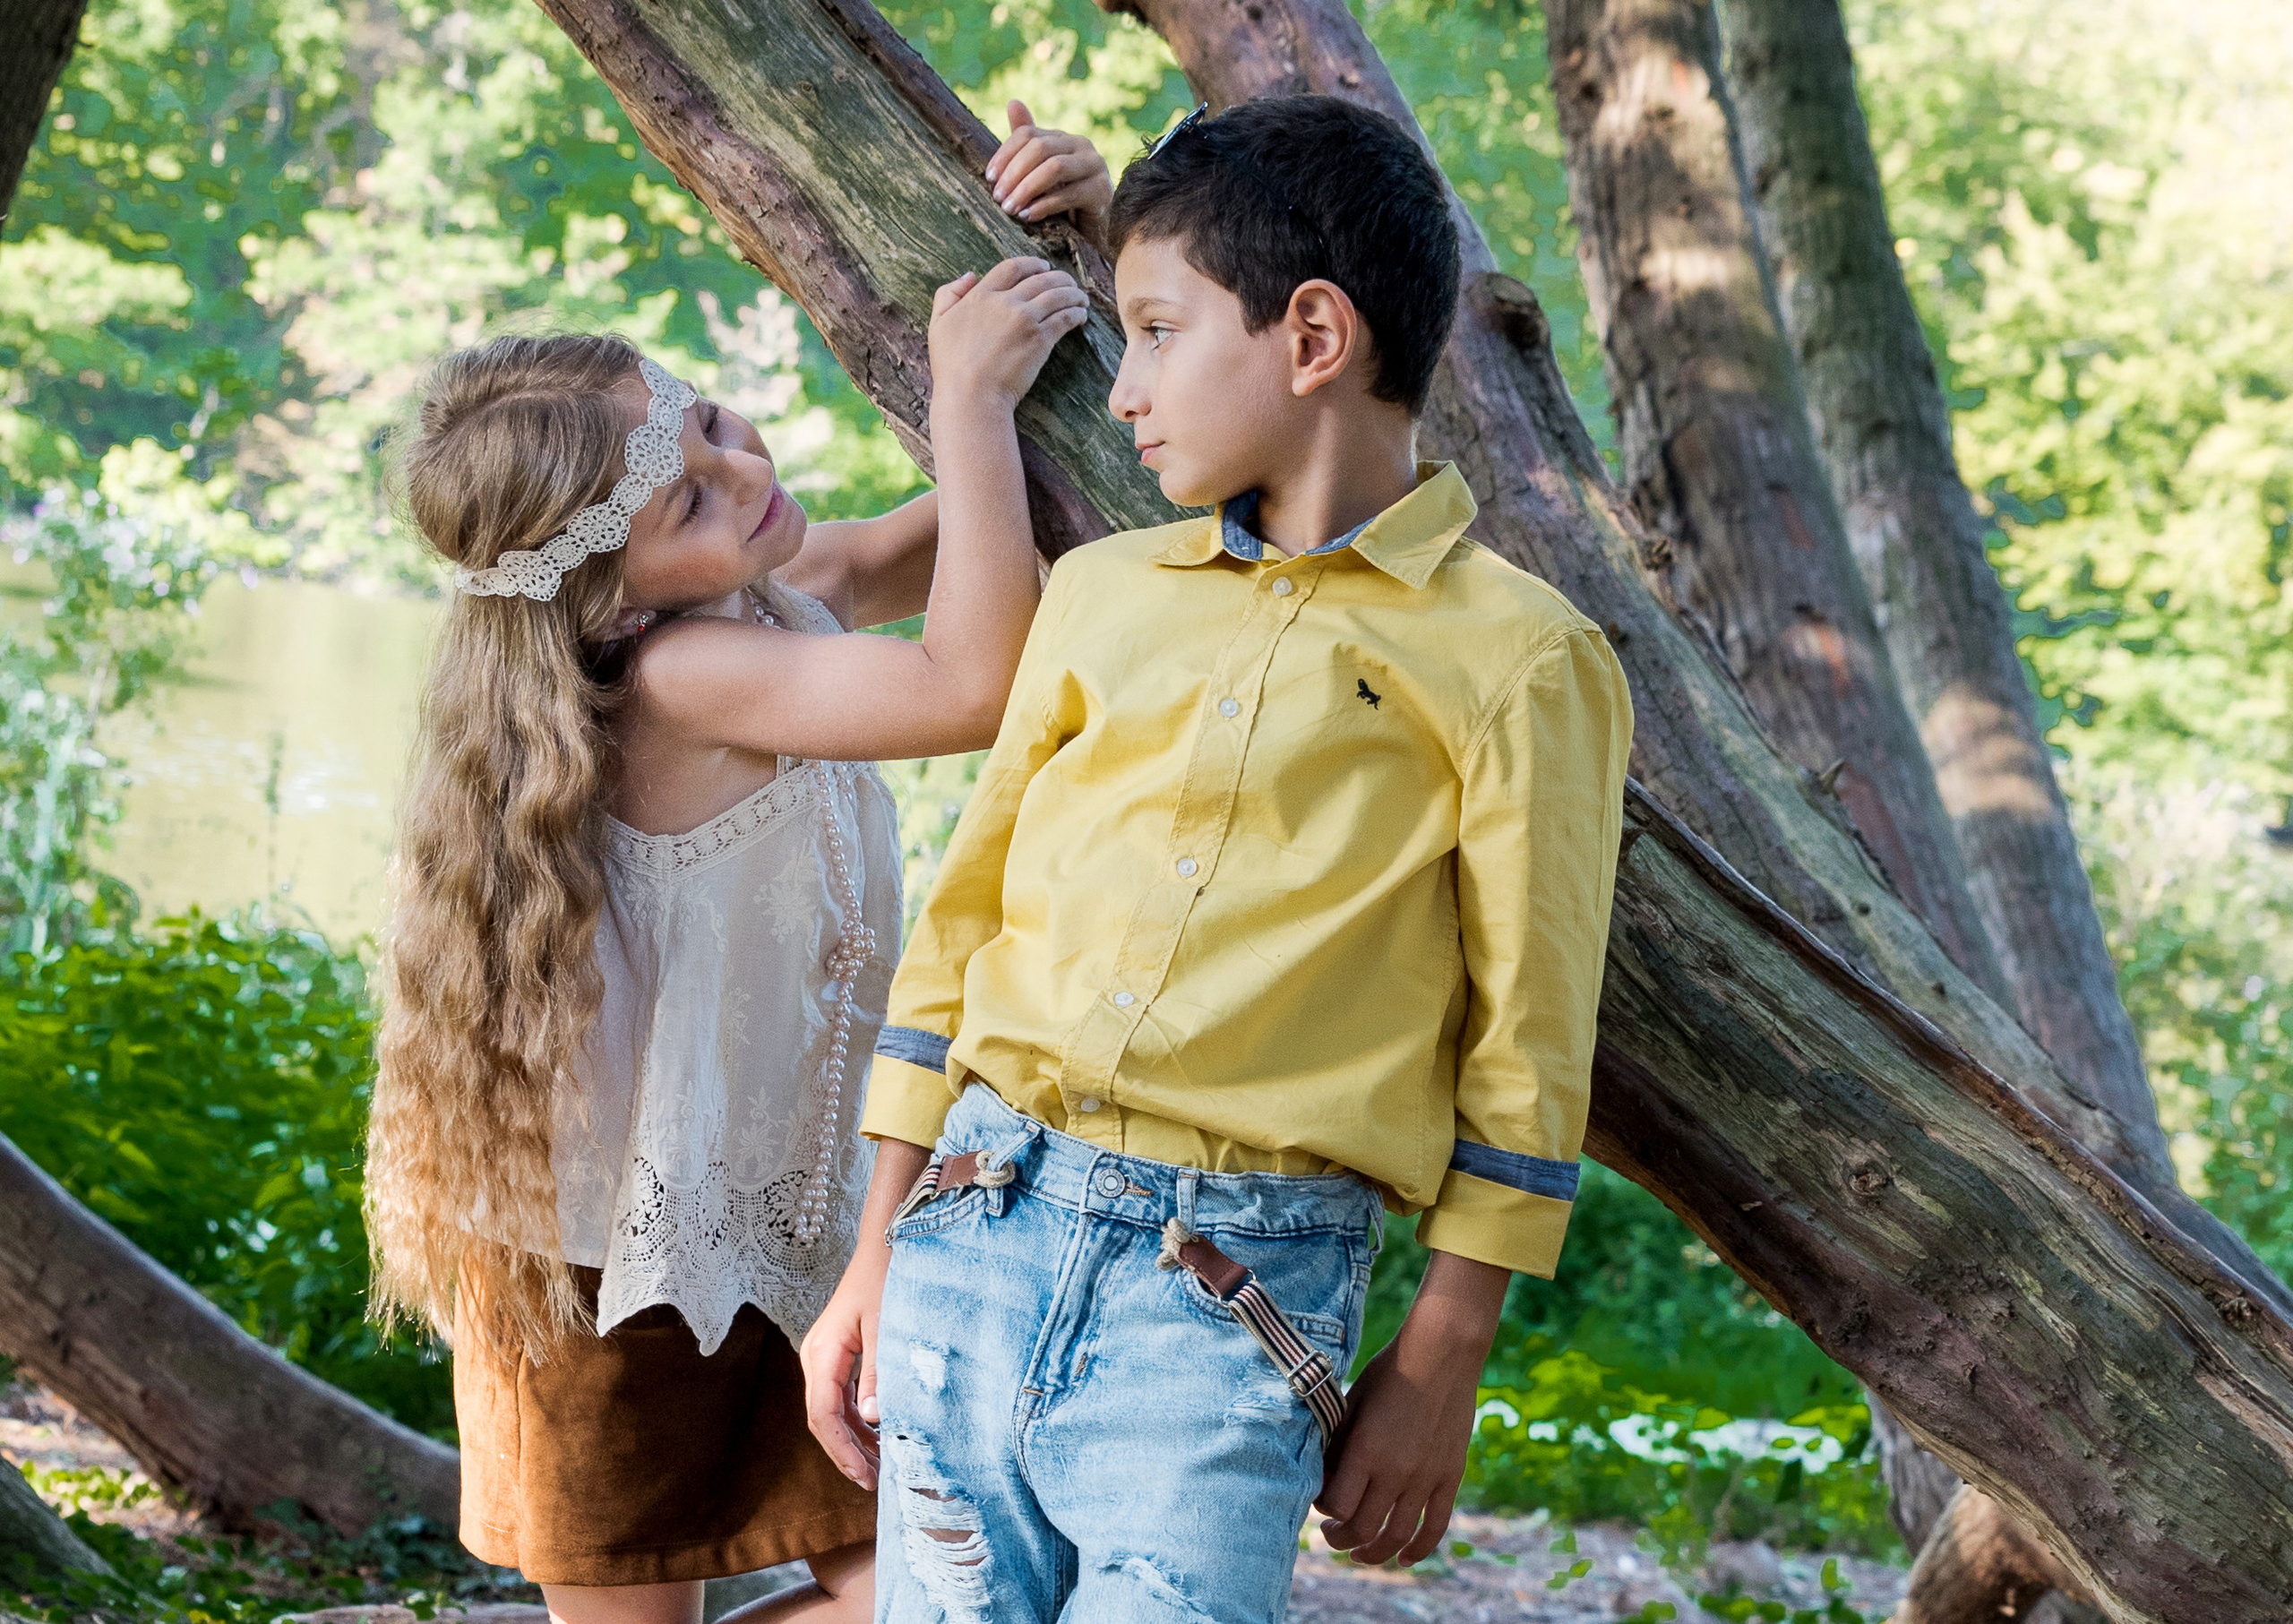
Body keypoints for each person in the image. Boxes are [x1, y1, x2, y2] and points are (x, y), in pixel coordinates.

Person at [802, 95, 1635, 1623]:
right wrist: (874, 1255)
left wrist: (1443, 1357)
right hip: (974, 1229)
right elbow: (964, 931)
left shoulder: (1523, 659)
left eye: (1157, 334)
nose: (1123, 391)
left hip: (1234, 1302)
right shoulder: (1101, 592)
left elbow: (1531, 1045)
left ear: (1313, 337)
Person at [362, 110, 1109, 1624]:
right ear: (610, 596)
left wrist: (1081, 252)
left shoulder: (766, 596)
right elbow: (977, 677)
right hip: (605, 1282)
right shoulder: (679, 679)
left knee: (945, 1599)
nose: (739, 468)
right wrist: (964, 399)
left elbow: (1003, 525)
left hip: (790, 1236)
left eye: (705, 420)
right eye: (686, 499)